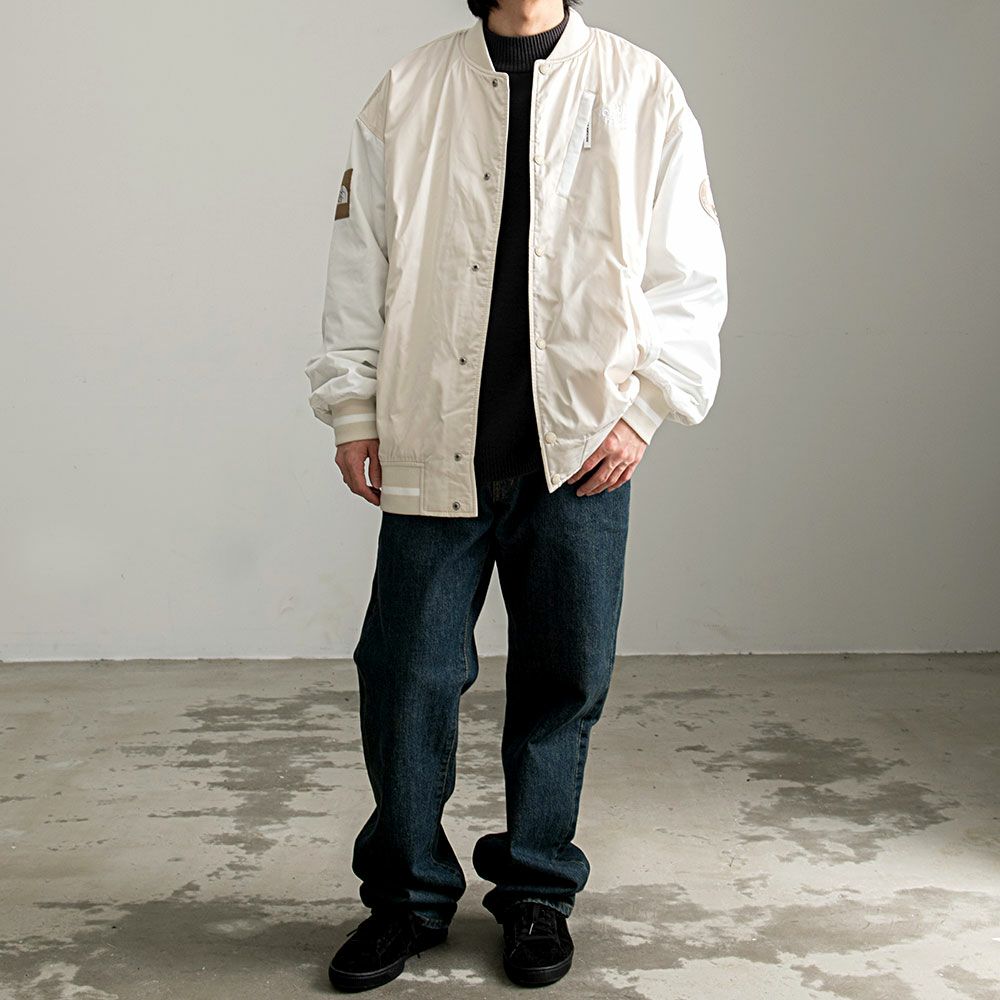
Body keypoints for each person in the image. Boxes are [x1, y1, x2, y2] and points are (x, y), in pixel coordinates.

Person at [305, 0, 728, 990]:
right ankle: (405, 899)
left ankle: (537, 891)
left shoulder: (639, 87)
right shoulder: (410, 88)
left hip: (578, 451)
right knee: (405, 679)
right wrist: (352, 404)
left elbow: (687, 267)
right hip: (430, 437)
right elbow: (360, 257)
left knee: (561, 681)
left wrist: (645, 411)